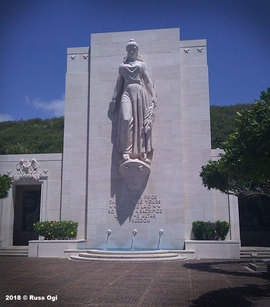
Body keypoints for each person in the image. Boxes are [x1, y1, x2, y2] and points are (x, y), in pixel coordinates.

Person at [110, 39, 157, 165]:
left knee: (140, 121)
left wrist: (153, 95)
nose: (132, 51)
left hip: (140, 93)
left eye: (134, 49)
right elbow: (119, 83)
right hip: (126, 92)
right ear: (127, 51)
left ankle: (141, 151)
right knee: (126, 119)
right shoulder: (122, 67)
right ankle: (126, 150)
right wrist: (114, 99)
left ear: (137, 51)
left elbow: (147, 80)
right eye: (130, 49)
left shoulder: (142, 65)